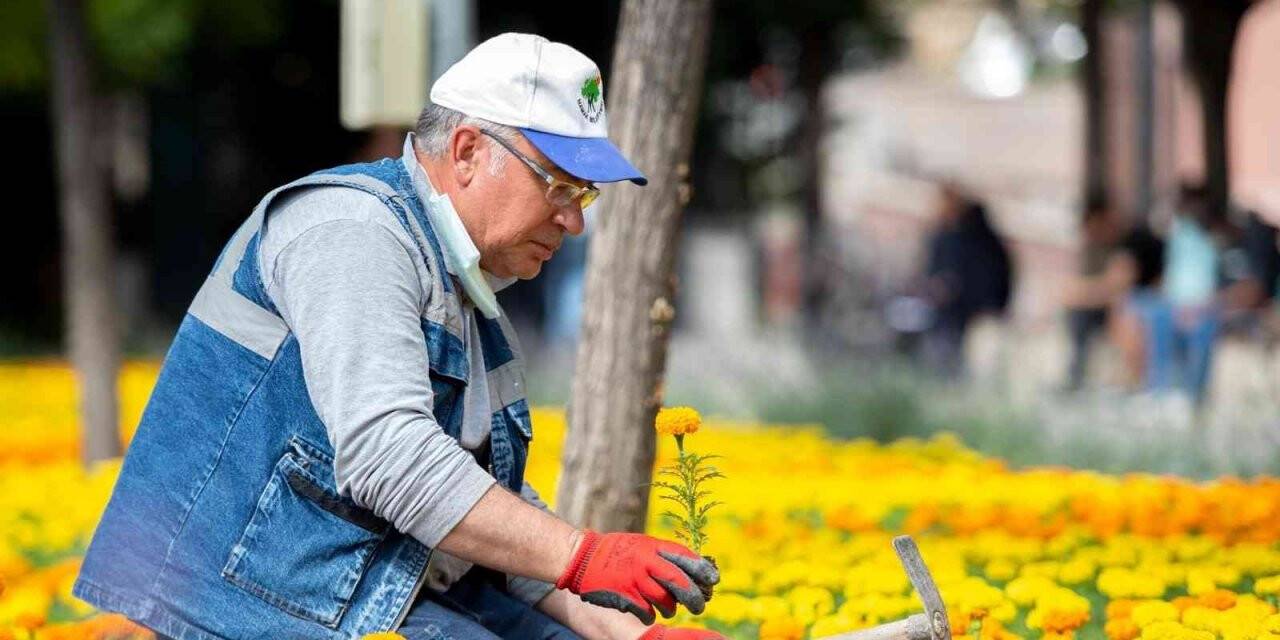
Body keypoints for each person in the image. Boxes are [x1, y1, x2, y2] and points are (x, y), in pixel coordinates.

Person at [73, 33, 721, 640]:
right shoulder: (353, 232)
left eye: (584, 195)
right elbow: (390, 457)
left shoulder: (463, 283)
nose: (573, 222)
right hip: (239, 604)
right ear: (467, 151)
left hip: (372, 590)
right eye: (558, 185)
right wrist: (583, 556)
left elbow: (482, 507)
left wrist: (630, 631)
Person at [919, 184, 1013, 378]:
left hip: (972, 313)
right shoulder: (949, 235)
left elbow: (981, 280)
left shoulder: (975, 239)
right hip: (957, 312)